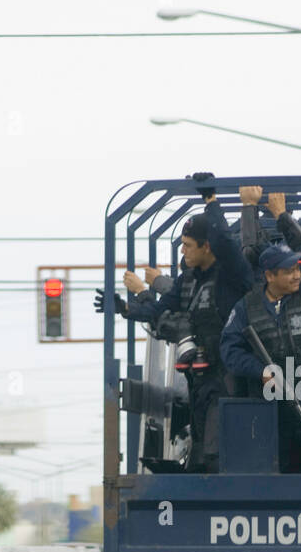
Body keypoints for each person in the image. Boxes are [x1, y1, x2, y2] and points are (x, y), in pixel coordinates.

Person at [98, 173, 253, 473]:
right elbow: (160, 311)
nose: (182, 251)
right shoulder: (188, 280)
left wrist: (211, 201)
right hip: (199, 380)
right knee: (198, 453)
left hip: (229, 381)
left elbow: (224, 240)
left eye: (188, 245)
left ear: (206, 247)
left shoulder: (231, 274)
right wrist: (127, 308)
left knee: (215, 455)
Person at [219, 181, 301, 472]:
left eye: (298, 269)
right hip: (270, 403)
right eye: (289, 271)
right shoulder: (246, 308)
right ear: (269, 276)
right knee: (276, 469)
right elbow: (229, 350)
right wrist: (260, 371)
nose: (297, 275)